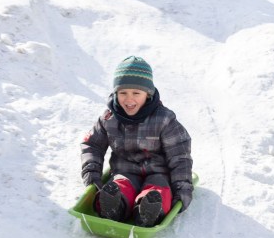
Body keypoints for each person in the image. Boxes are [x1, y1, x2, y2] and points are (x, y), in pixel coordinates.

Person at [80, 56, 194, 227]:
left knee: (158, 190)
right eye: (123, 93)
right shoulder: (109, 118)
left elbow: (180, 156)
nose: (129, 99)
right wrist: (91, 172)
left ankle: (147, 211)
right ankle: (113, 206)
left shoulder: (164, 120)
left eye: (136, 93)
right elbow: (92, 145)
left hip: (159, 173)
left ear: (148, 94)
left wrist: (182, 188)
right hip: (125, 171)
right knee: (119, 185)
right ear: (115, 93)